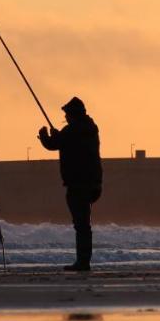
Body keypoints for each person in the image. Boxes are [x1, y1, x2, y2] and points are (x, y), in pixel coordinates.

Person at [38, 97, 103, 271]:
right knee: (83, 224)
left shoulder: (73, 130)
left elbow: (54, 144)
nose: (65, 117)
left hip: (78, 184)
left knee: (81, 224)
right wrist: (60, 136)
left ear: (72, 115)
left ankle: (83, 262)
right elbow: (68, 143)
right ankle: (84, 260)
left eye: (67, 114)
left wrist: (44, 135)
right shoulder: (90, 129)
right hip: (93, 183)